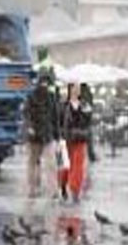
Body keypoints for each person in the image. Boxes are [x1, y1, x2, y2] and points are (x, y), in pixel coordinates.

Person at [23, 70, 60, 198]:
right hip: (37, 134)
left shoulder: (50, 97)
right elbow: (27, 114)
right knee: (36, 162)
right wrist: (29, 127)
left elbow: (55, 118)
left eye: (46, 82)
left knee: (46, 163)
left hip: (44, 134)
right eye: (43, 82)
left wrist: (58, 137)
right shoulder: (34, 96)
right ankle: (33, 189)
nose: (44, 85)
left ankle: (52, 190)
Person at [58, 82, 94, 201]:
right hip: (66, 140)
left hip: (80, 138)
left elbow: (88, 121)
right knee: (67, 166)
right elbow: (59, 121)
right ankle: (63, 185)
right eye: (74, 88)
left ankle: (75, 190)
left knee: (78, 166)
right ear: (70, 89)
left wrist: (86, 112)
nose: (76, 91)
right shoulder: (64, 106)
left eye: (78, 89)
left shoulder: (85, 105)